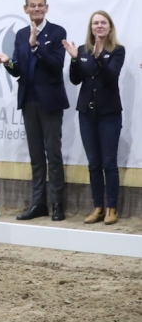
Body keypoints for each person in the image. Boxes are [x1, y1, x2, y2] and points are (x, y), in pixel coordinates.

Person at [0, 0, 68, 222]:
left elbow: (56, 65)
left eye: (40, 5)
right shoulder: (21, 34)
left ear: (47, 8)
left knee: (53, 154)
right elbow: (18, 69)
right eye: (32, 6)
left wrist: (36, 47)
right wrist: (7, 62)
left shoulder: (57, 32)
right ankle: (38, 204)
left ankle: (57, 205)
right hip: (28, 99)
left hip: (50, 101)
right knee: (35, 156)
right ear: (25, 9)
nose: (36, 9)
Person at [63, 11, 125, 226]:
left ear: (110, 27)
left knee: (109, 163)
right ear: (91, 27)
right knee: (93, 164)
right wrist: (73, 59)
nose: (99, 26)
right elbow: (75, 79)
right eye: (95, 23)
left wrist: (99, 58)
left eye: (103, 23)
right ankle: (97, 207)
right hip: (87, 114)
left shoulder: (117, 50)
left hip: (109, 114)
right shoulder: (82, 50)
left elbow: (111, 76)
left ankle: (111, 208)